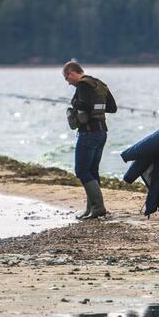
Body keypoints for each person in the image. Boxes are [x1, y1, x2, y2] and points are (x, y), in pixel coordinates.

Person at [63, 60, 117, 219]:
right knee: (92, 171)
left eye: (67, 79)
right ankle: (90, 209)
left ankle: (98, 208)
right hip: (101, 133)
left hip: (88, 133)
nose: (68, 83)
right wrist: (96, 107)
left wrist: (74, 102)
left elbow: (84, 105)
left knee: (81, 170)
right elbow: (112, 108)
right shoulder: (100, 84)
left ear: (72, 73)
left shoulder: (83, 85)